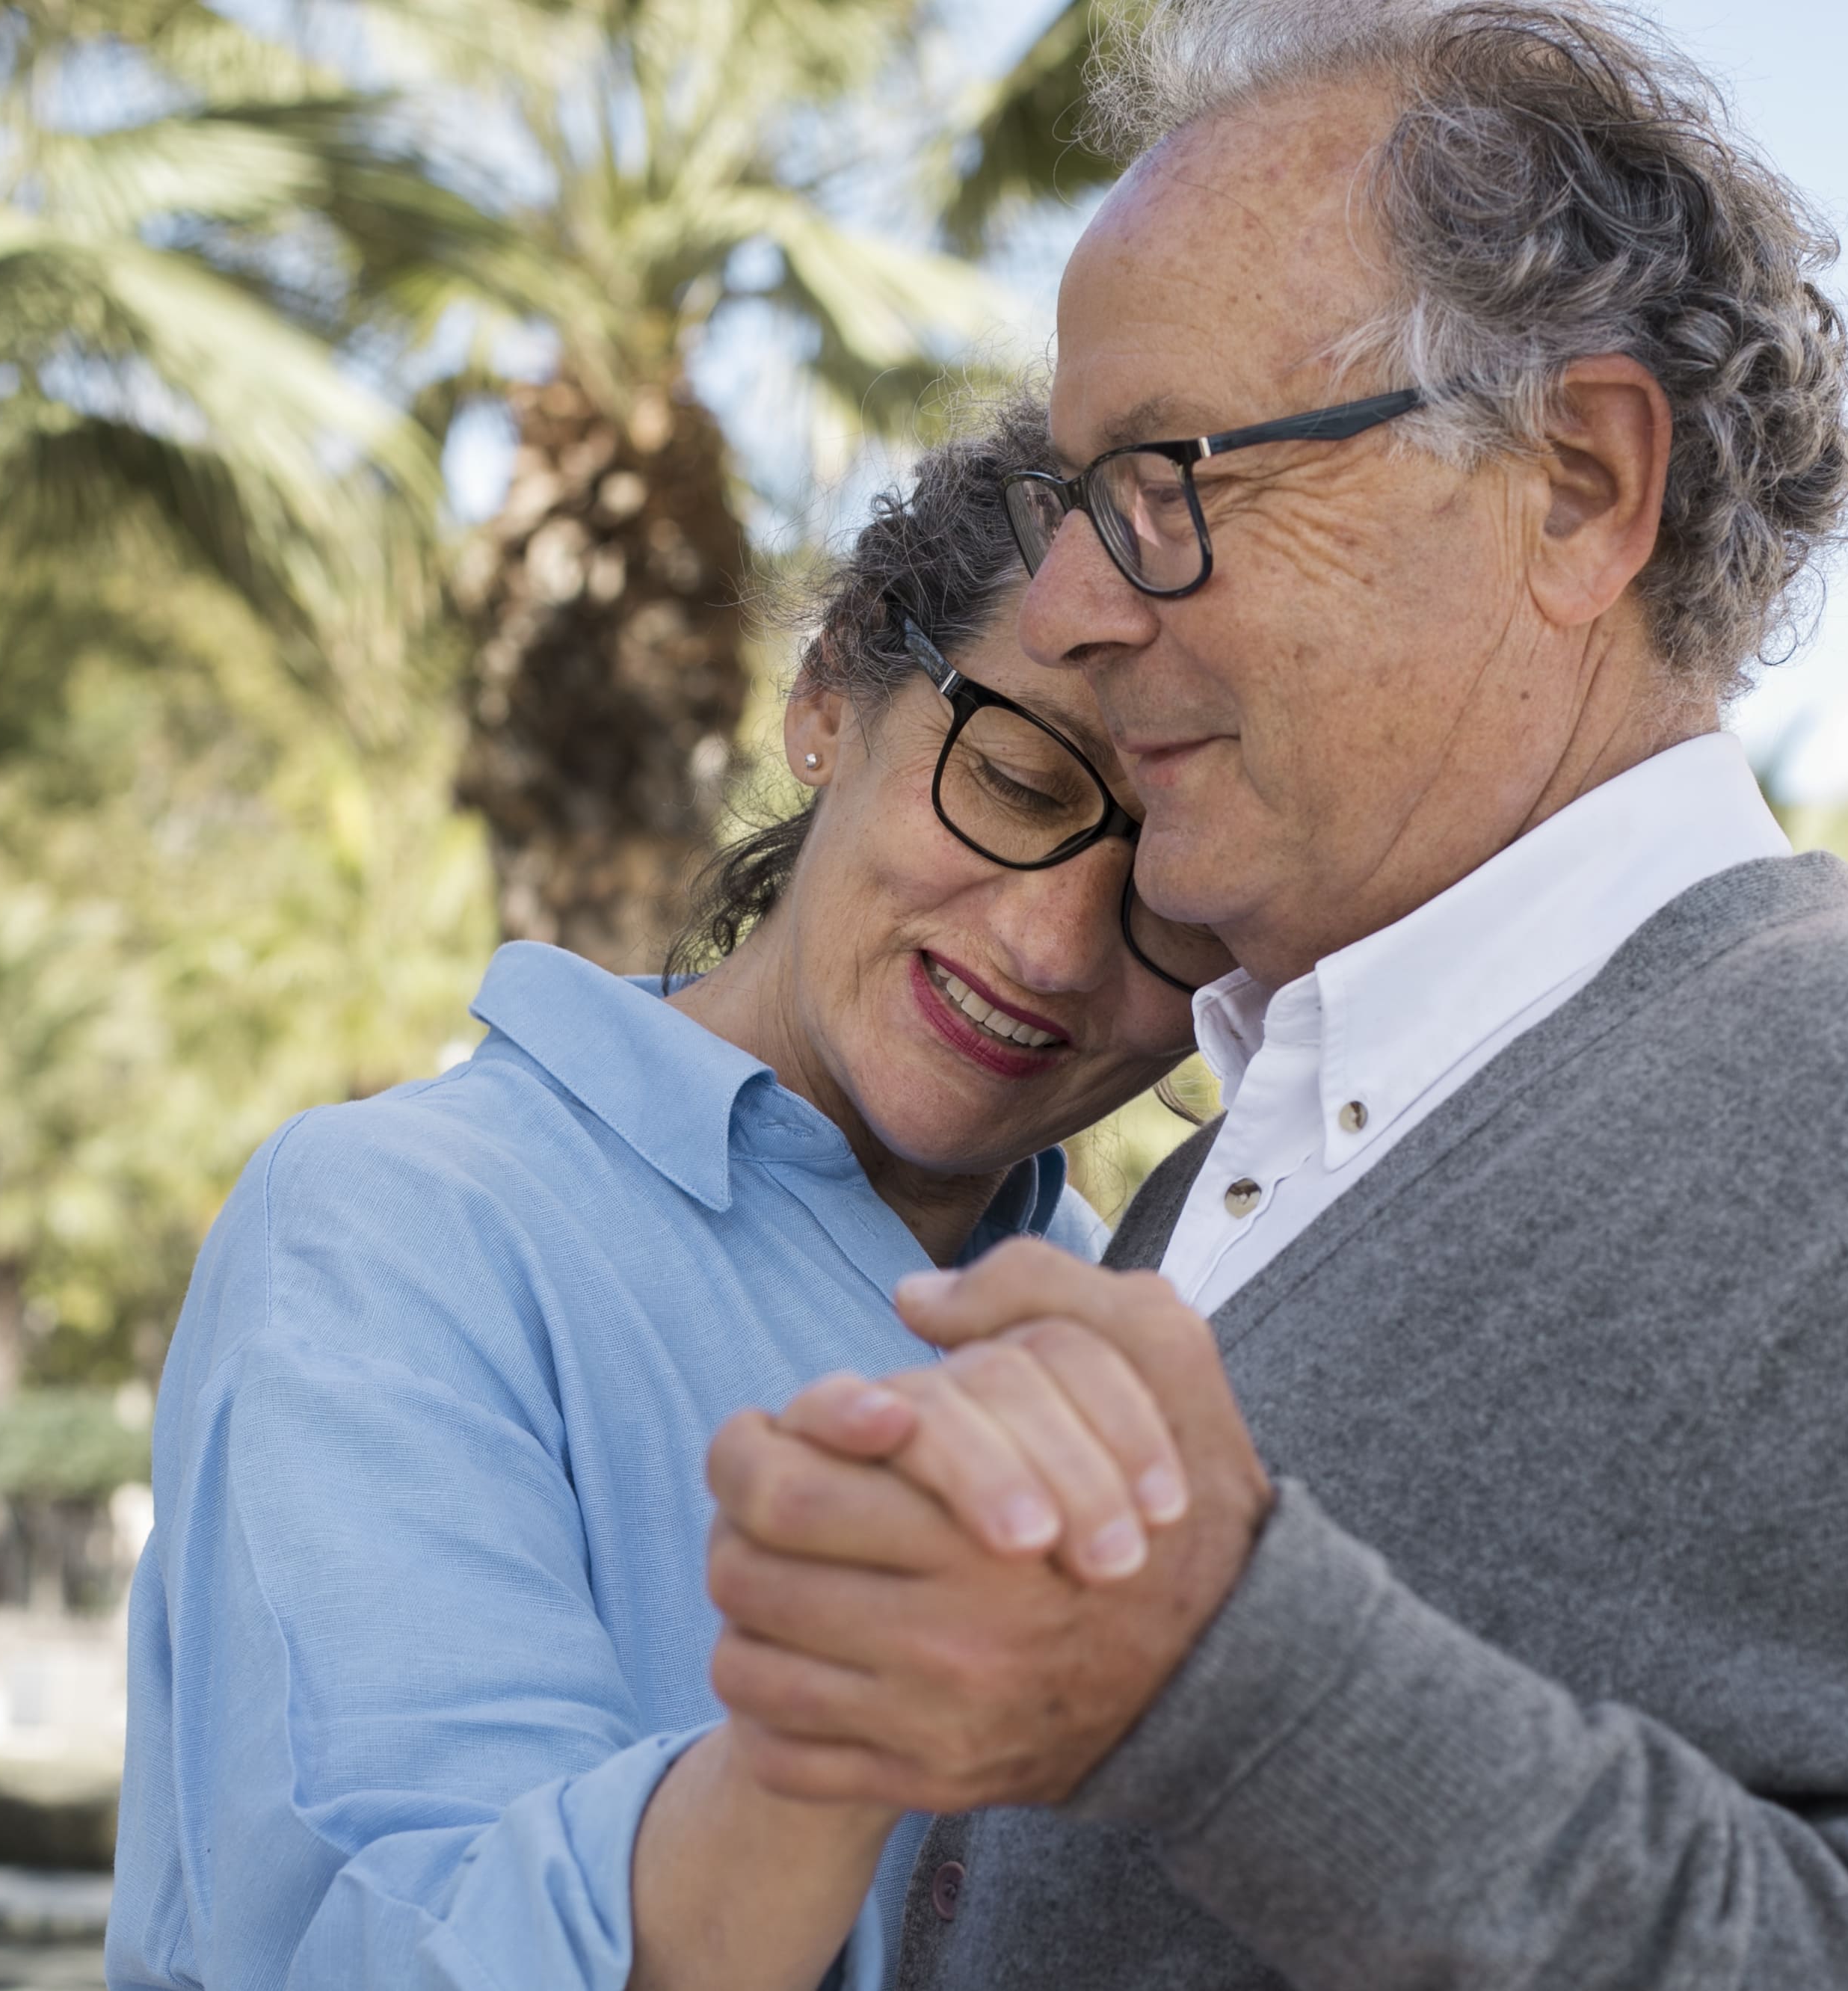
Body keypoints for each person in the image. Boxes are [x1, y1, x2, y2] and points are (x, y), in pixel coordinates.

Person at [700, 5, 1848, 1988]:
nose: (1085, 609)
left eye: (1164, 482)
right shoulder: (1227, 1166)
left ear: (1577, 483)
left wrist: (1223, 1684)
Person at [104, 400, 1233, 1991]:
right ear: (829, 694)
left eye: (1171, 889)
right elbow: (394, 1948)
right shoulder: (395, 1224)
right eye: (1021, 779)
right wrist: (846, 1711)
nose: (1049, 946)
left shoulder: (1149, 1330)